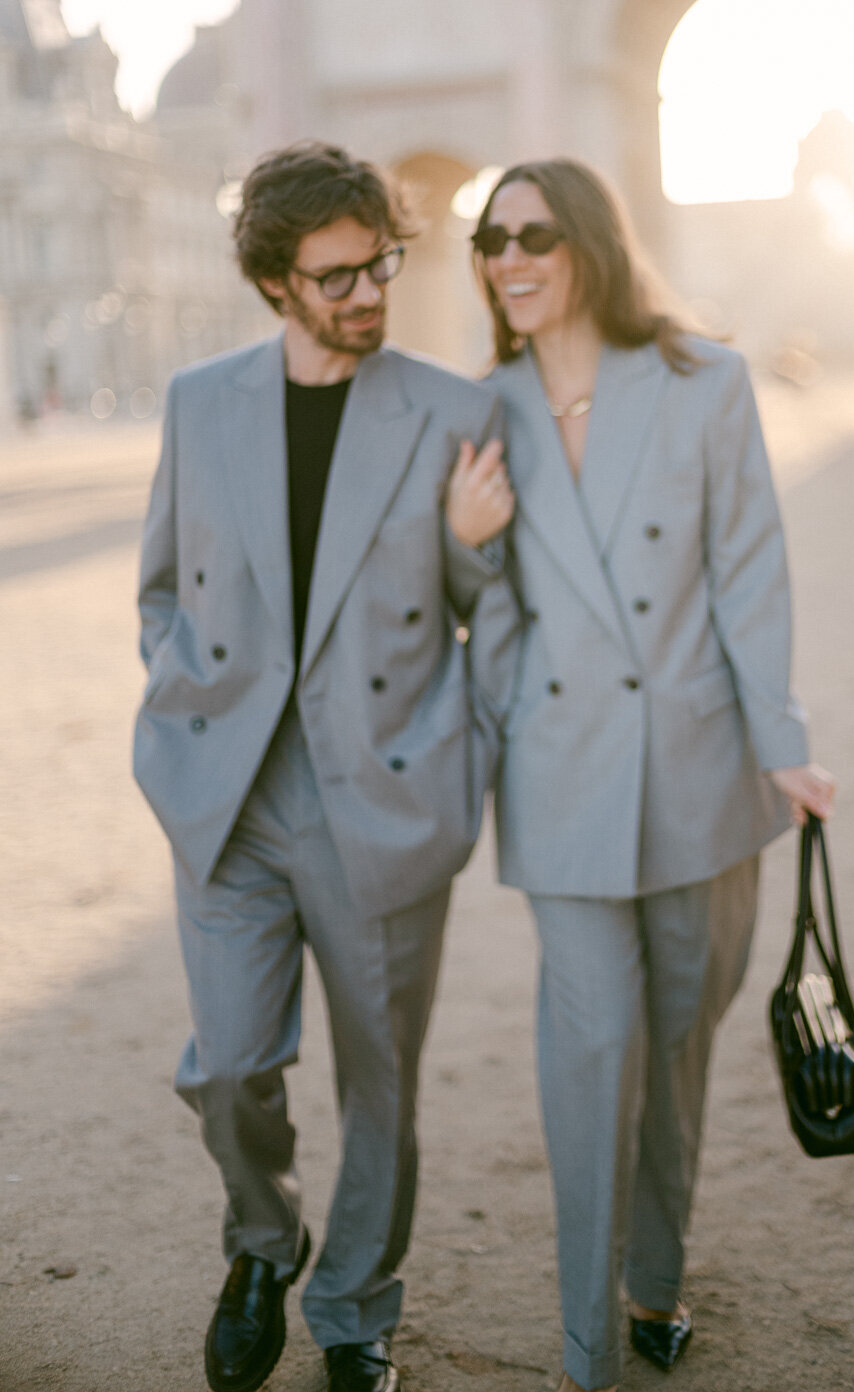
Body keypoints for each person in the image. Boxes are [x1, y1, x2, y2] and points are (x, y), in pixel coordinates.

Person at [134, 142, 519, 1392]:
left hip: (385, 796)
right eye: (338, 274)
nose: (368, 293)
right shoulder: (202, 402)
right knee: (231, 1065)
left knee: (381, 1087)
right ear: (274, 281)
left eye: (382, 264)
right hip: (230, 798)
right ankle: (265, 1240)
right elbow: (160, 588)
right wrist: (186, 705)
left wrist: (473, 553)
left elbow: (492, 612)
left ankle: (355, 1308)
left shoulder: (454, 411)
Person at [471, 159, 836, 1392]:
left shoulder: (704, 383)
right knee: (590, 1054)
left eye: (531, 234)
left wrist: (781, 739)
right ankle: (585, 1346)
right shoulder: (481, 412)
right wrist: (466, 551)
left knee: (676, 1050)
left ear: (587, 244)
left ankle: (655, 1284)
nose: (508, 259)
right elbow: (477, 605)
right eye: (489, 239)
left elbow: (750, 569)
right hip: (561, 777)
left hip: (699, 775)